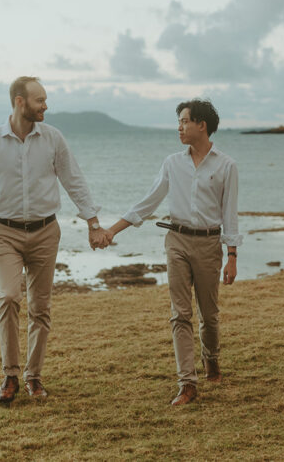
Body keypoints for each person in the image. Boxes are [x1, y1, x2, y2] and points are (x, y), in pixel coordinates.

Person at [0, 76, 107, 405]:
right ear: (20, 102)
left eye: (45, 100)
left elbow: (74, 180)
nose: (46, 105)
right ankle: (10, 375)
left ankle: (33, 376)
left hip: (46, 232)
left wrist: (93, 222)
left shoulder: (53, 138)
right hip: (4, 233)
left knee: (40, 308)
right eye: (40, 100)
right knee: (8, 297)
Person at [95, 99, 240, 406]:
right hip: (176, 240)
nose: (179, 127)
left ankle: (211, 358)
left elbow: (230, 214)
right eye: (179, 122)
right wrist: (112, 230)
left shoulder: (226, 165)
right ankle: (187, 383)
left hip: (209, 244)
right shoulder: (172, 163)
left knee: (209, 316)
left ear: (201, 125)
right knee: (180, 314)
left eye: (184, 121)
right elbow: (147, 203)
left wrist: (232, 256)